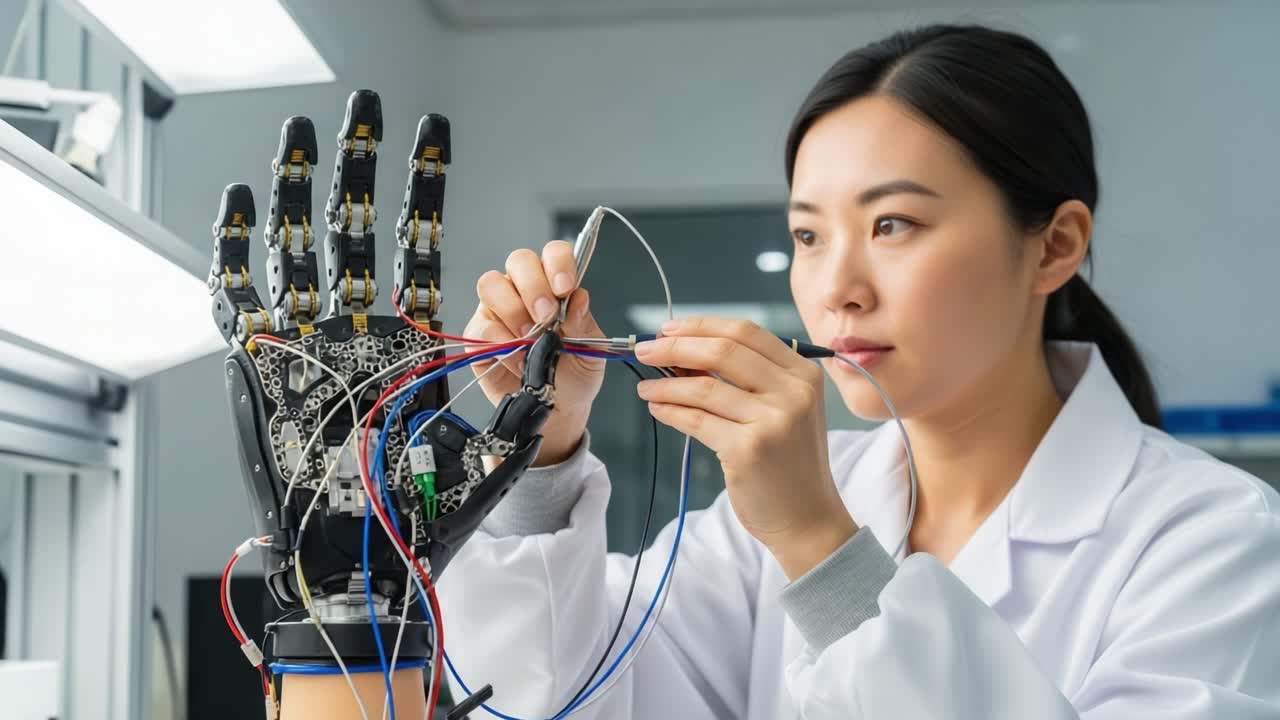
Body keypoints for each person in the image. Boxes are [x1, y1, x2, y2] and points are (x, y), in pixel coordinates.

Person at [287, 23, 1280, 719]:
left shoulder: (1215, 544)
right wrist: (542, 460)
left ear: (1054, 245)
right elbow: (565, 699)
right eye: (808, 236)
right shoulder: (765, 522)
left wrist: (821, 550)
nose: (835, 288)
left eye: (893, 224)